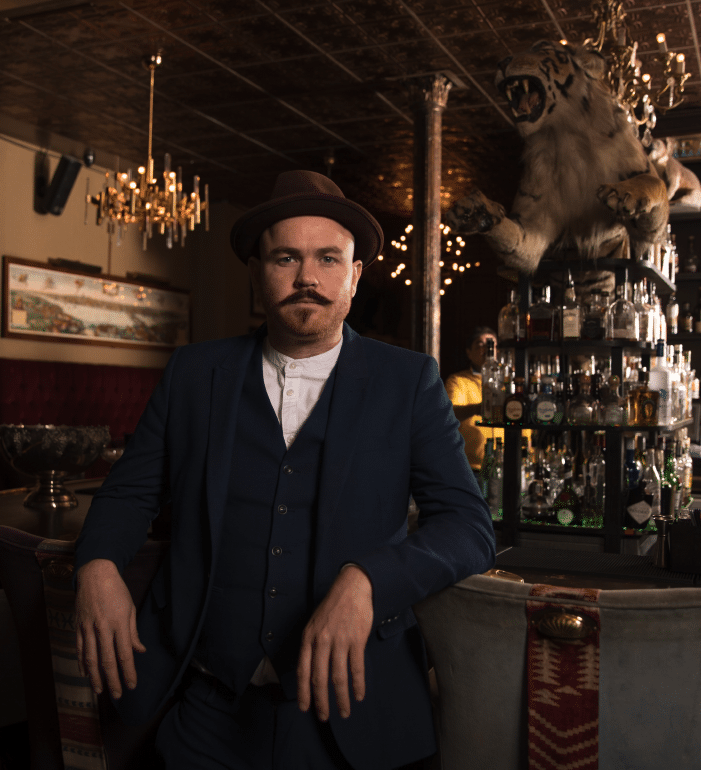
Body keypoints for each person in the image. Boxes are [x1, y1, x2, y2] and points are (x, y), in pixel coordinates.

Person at [74, 170, 495, 770]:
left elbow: (468, 527)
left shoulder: (409, 382)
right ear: (257, 272)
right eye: (286, 258)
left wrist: (368, 581)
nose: (307, 278)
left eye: (329, 258)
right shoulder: (194, 374)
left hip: (355, 711)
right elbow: (127, 495)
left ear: (355, 275)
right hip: (205, 705)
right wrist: (96, 567)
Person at [444, 326, 499, 472]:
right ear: (469, 352)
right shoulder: (458, 380)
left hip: (506, 466)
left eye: (492, 345)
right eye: (481, 345)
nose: (487, 350)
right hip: (472, 469)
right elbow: (448, 415)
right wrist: (477, 409)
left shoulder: (506, 381)